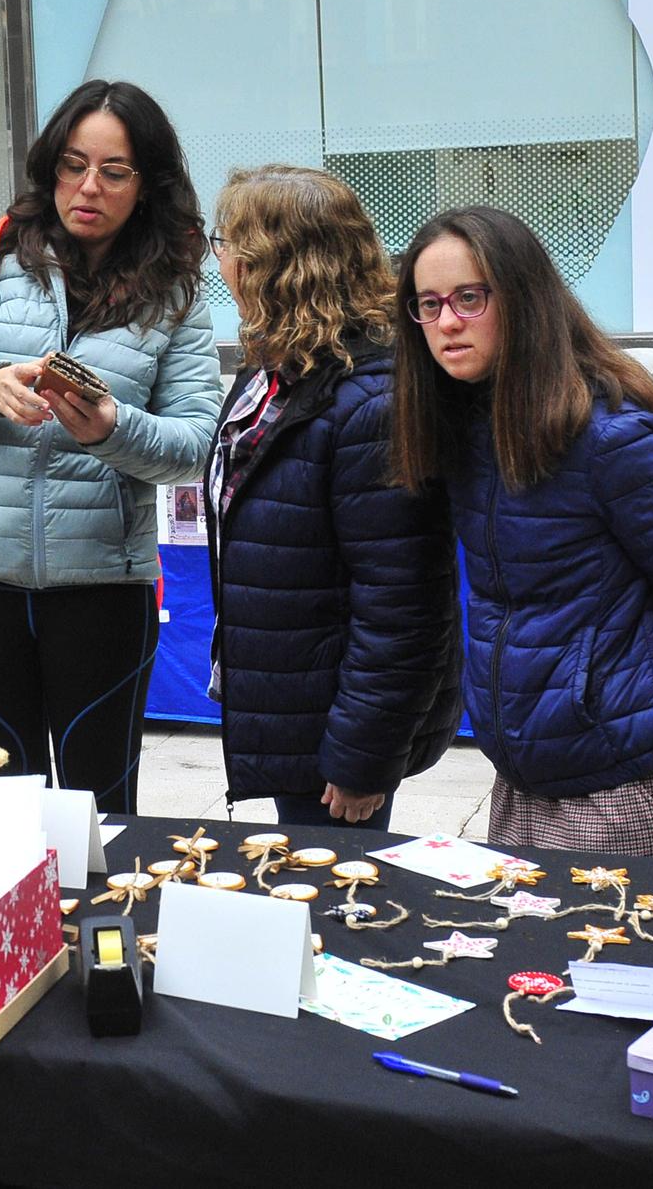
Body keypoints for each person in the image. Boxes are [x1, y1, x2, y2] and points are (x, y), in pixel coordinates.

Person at [0, 79, 221, 815]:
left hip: (103, 586)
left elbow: (197, 443)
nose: (88, 187)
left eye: (114, 171)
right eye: (73, 165)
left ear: (149, 183)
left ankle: (99, 932)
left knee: (99, 812)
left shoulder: (175, 287)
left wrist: (113, 429)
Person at [390, 206, 653, 857]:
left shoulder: (609, 434)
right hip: (528, 779)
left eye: (470, 297)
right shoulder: (467, 424)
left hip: (629, 784)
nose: (446, 322)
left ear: (522, 295)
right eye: (428, 303)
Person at [202, 166, 460, 831]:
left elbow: (402, 605)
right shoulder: (281, 363)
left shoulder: (371, 398)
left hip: (337, 736)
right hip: (302, 710)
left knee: (345, 915)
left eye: (226, 243)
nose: (219, 260)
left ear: (274, 265)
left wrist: (361, 758)